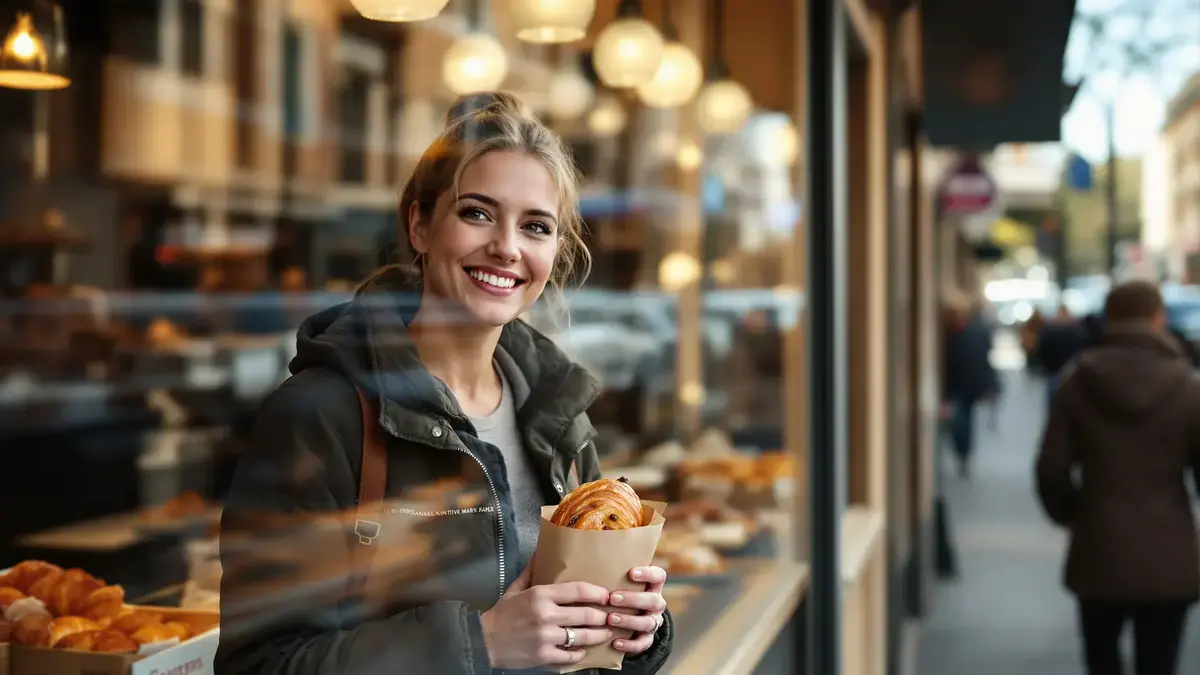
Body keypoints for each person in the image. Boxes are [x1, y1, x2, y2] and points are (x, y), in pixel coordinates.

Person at [215, 93, 673, 675]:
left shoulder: (558, 415)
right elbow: (259, 665)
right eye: (477, 213)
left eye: (535, 226)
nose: (506, 247)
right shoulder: (320, 416)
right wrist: (478, 646)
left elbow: (577, 641)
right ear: (420, 225)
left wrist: (636, 631)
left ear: (555, 254)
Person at [1035, 280, 1200, 675]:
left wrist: (1071, 514)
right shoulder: (1186, 386)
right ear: (1158, 319)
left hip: (1098, 542)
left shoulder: (1077, 382)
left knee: (1101, 658)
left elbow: (1051, 468)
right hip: (1168, 547)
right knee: (1159, 662)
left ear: (1110, 318)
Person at [941, 293, 999, 478]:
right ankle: (962, 454)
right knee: (960, 422)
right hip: (954, 386)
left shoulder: (975, 333)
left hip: (968, 386)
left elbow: (985, 362)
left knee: (963, 422)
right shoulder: (948, 336)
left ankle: (963, 455)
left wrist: (990, 385)